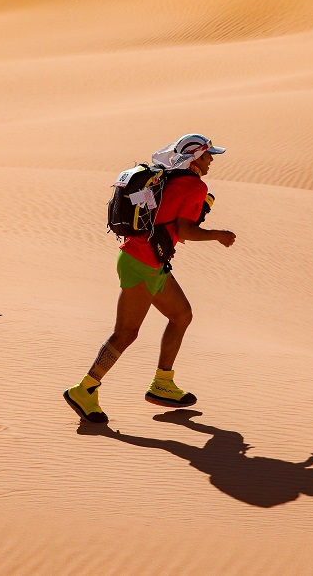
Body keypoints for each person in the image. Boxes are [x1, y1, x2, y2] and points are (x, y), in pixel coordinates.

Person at [64, 134, 237, 423]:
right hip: (141, 262)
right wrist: (219, 235)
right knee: (126, 332)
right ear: (194, 159)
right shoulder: (195, 186)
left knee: (181, 315)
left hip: (149, 260)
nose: (211, 161)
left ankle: (162, 384)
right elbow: (184, 231)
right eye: (208, 156)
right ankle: (85, 389)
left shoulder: (167, 178)